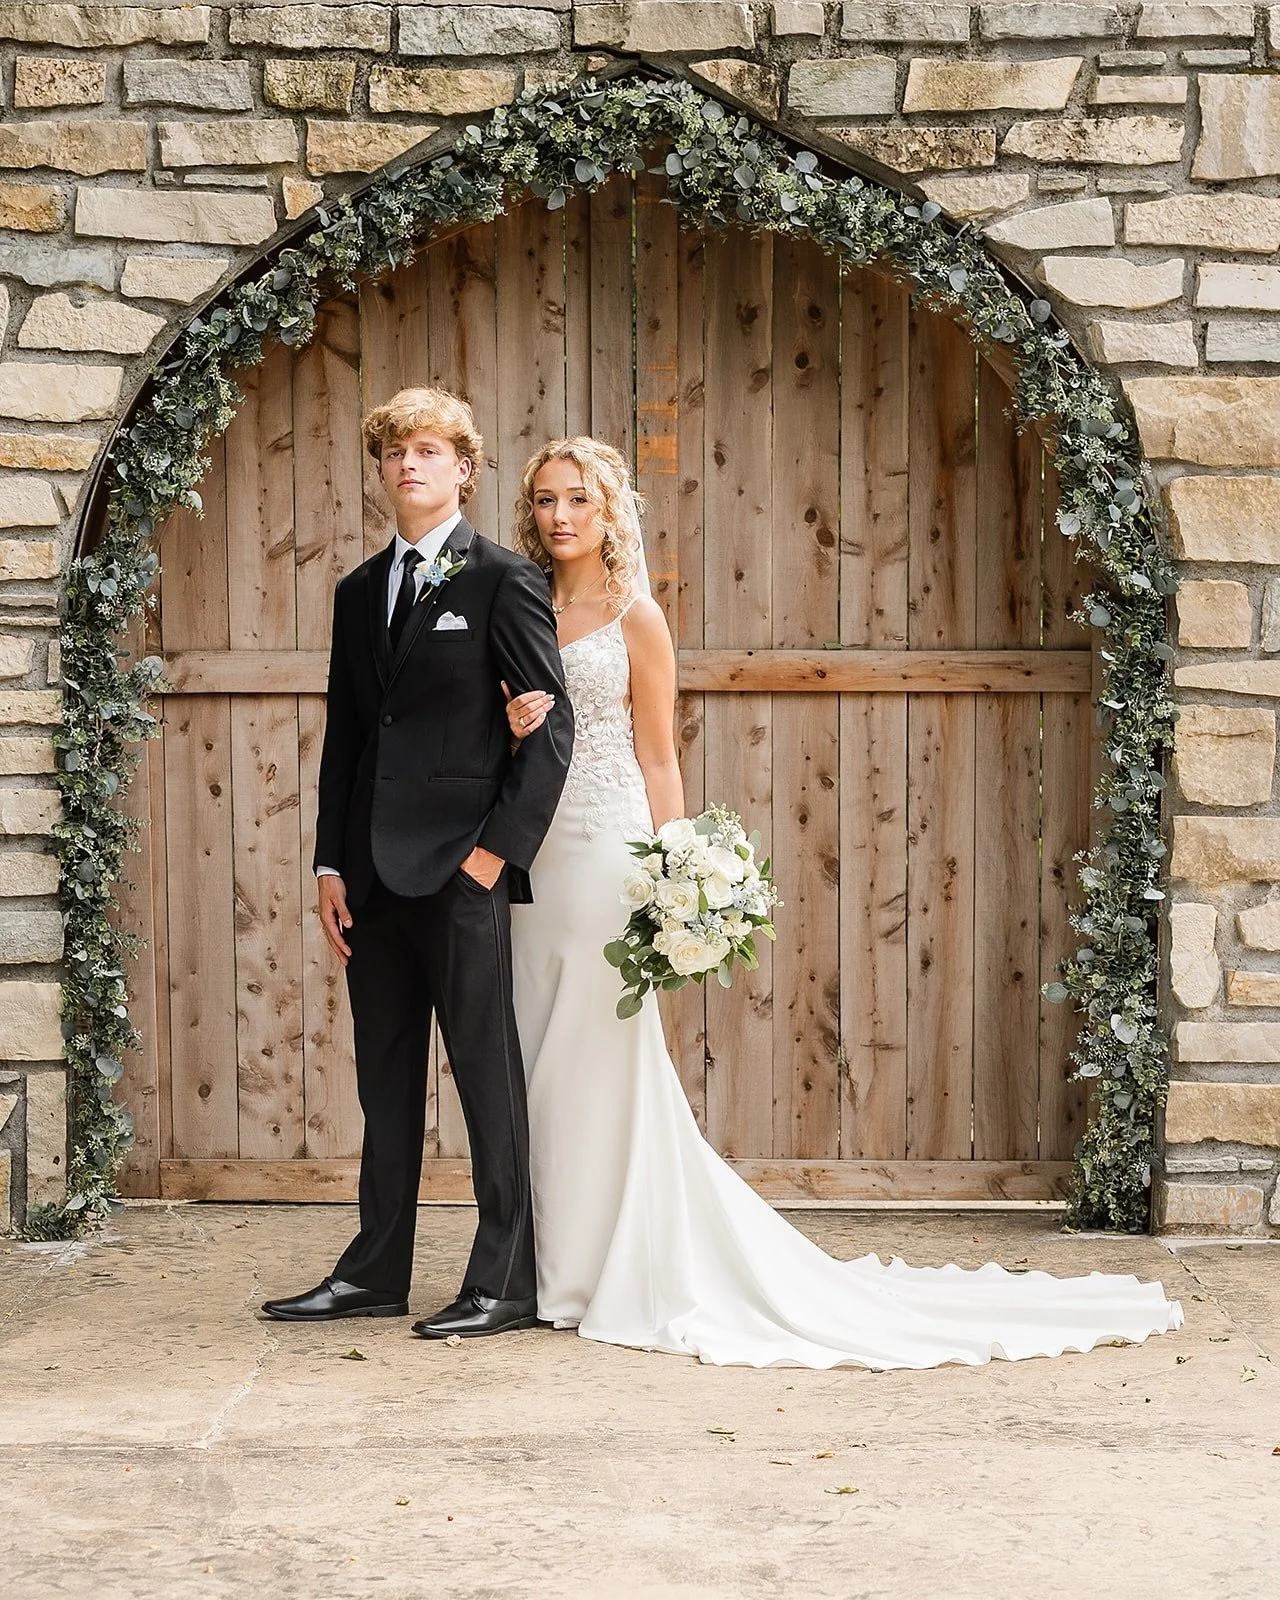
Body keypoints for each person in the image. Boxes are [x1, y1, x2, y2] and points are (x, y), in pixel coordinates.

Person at [503, 435, 1182, 1369]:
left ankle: (603, 1266)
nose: (559, 517)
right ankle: (545, 1262)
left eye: (576, 499)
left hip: (602, 851)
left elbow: (659, 755)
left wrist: (674, 872)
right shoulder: (522, 600)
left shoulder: (636, 615)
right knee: (537, 1049)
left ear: (608, 507)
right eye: (544, 501)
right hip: (532, 848)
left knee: (599, 1050)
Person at [262, 388, 573, 1338]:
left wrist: (493, 859)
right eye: (395, 450)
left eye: (430, 449)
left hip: (462, 872)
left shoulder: (504, 581)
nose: (410, 464)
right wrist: (326, 866)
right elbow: (348, 740)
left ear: (464, 469)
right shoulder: (359, 593)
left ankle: (504, 1281)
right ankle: (373, 1273)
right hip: (371, 880)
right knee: (384, 1079)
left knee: (487, 1076)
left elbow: (551, 736)